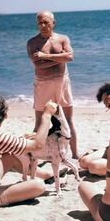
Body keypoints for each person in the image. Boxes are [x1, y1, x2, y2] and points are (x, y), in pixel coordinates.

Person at [27, 10, 78, 159]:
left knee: (68, 120)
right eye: (40, 23)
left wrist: (45, 56)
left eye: (46, 22)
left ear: (53, 23)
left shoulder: (62, 39)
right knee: (40, 122)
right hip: (42, 83)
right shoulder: (32, 42)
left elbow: (70, 57)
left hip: (62, 81)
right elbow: (38, 65)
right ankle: (33, 155)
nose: (43, 25)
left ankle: (75, 155)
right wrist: (59, 58)